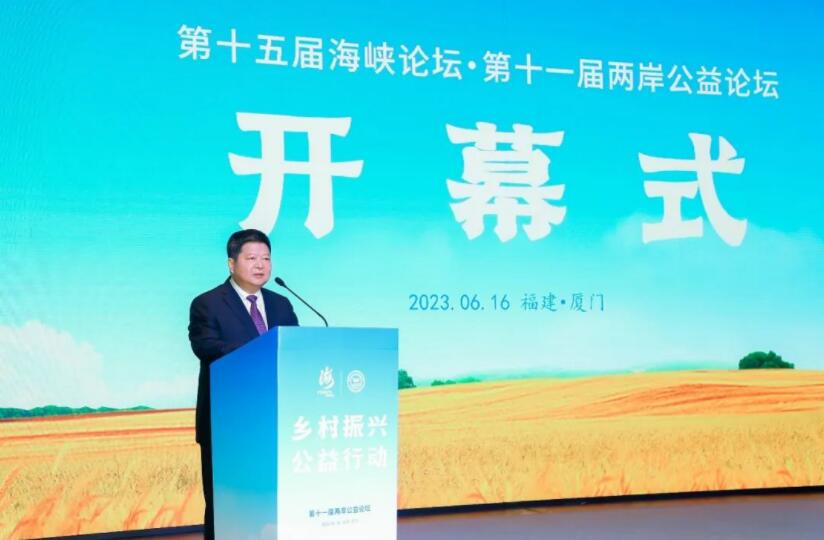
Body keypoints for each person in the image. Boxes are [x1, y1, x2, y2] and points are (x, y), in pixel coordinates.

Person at [188, 229, 298, 540]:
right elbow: (206, 347)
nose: (260, 265)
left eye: (266, 258)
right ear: (231, 263)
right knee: (228, 509)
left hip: (275, 422)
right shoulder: (207, 303)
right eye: (251, 258)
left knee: (273, 505)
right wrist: (261, 351)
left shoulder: (281, 304)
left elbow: (295, 349)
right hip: (228, 423)